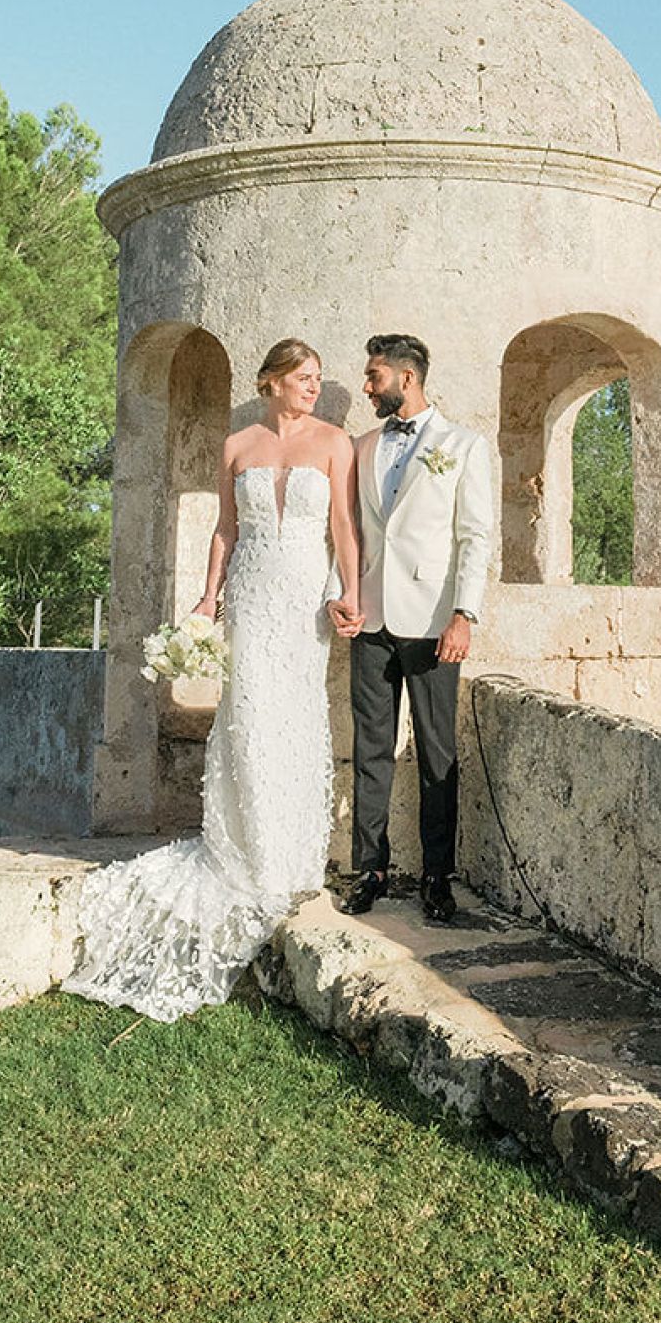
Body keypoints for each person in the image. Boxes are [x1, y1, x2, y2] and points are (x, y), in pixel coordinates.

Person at [61, 337, 360, 1022]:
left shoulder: (334, 443)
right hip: (251, 592)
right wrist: (206, 597)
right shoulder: (237, 445)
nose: (313, 386)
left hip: (304, 598)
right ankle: (249, 853)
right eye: (303, 377)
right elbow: (226, 529)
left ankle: (291, 861)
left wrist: (350, 590)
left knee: (295, 719)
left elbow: (343, 526)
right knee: (248, 717)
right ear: (271, 381)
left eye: (317, 378)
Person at [332, 332, 492, 926]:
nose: (367, 387)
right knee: (370, 748)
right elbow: (348, 530)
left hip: (432, 622)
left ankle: (435, 876)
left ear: (407, 377)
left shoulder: (463, 445)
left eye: (374, 377)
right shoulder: (363, 445)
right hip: (370, 618)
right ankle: (370, 869)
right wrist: (341, 594)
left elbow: (475, 538)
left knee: (436, 753)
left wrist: (464, 614)